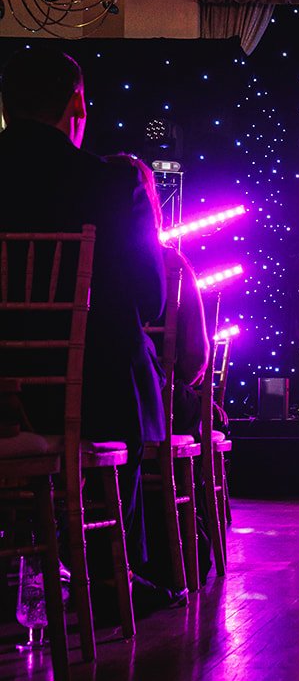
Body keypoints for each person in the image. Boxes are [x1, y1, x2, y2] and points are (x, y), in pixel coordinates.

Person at [0, 46, 169, 597]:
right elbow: (152, 300)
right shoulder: (111, 185)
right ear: (76, 103)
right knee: (130, 356)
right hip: (89, 399)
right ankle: (112, 574)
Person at [107, 155, 210, 436]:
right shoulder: (172, 263)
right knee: (208, 416)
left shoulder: (80, 259)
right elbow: (195, 357)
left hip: (90, 395)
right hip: (158, 397)